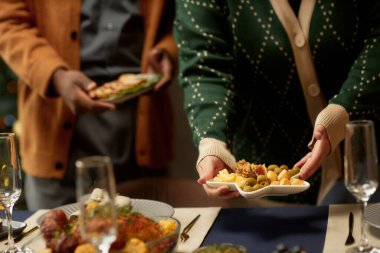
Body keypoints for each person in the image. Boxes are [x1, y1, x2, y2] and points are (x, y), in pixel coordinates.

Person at [174, 0, 380, 205]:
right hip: (268, 188)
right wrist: (212, 143)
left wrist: (341, 112)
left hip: (369, 173)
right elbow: (204, 67)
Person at [0, 0, 177, 210]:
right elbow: (8, 22)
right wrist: (54, 75)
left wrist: (169, 51)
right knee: (57, 237)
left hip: (144, 133)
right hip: (55, 133)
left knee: (148, 233)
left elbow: (185, 19)